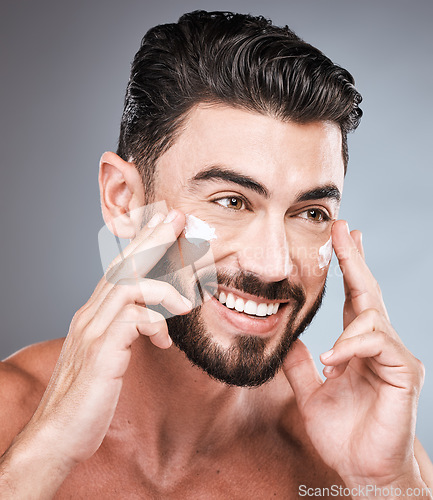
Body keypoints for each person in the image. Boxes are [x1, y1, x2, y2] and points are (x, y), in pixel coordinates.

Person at [0, 10, 432, 498]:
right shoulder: (12, 423)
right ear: (124, 199)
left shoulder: (370, 463)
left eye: (310, 213)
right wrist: (47, 454)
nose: (272, 265)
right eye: (231, 201)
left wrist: (384, 485)